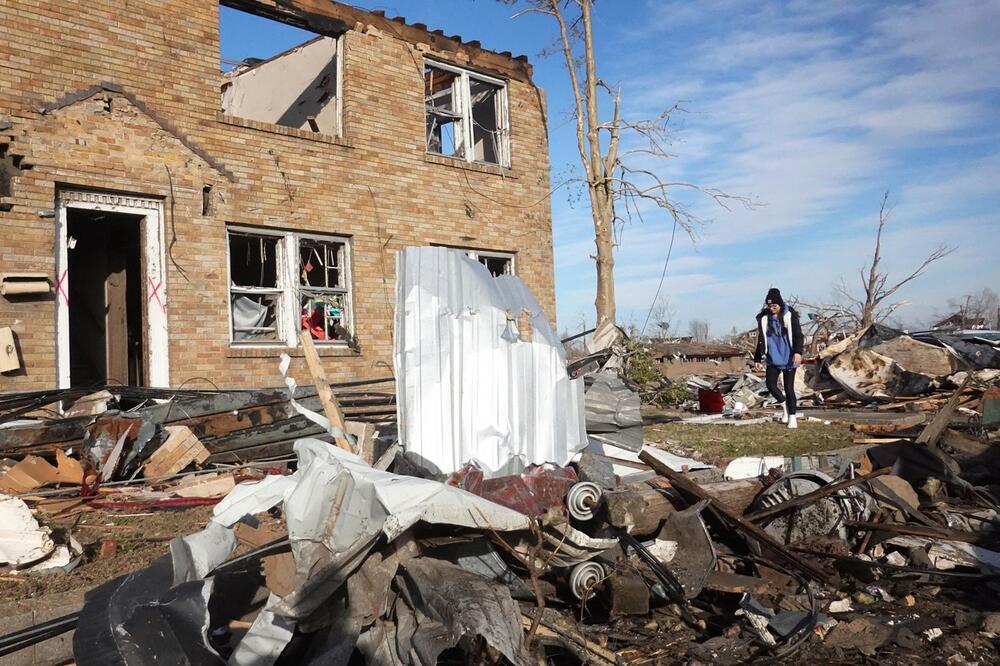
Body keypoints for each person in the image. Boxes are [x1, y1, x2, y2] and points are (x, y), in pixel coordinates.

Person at [753, 288, 803, 428]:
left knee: (788, 388)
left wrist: (798, 352)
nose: (772, 308)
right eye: (769, 306)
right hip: (773, 357)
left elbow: (798, 335)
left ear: (780, 304)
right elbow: (761, 340)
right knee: (770, 385)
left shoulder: (789, 316)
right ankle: (785, 407)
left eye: (775, 306)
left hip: (789, 357)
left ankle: (792, 417)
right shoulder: (764, 319)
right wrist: (757, 359)